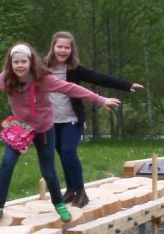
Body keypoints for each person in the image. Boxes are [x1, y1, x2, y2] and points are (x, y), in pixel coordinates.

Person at [0, 43, 121, 228]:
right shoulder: (6, 79)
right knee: (6, 165)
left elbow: (71, 88)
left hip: (44, 130)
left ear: (30, 62)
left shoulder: (42, 79)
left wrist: (100, 99)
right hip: (20, 129)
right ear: (10, 64)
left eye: (23, 61)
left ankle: (59, 203)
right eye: (16, 62)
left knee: (48, 171)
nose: (20, 65)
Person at [42, 31, 144, 207]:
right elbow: (20, 75)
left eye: (67, 47)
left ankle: (81, 191)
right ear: (53, 47)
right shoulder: (42, 68)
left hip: (72, 119)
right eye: (59, 46)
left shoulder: (74, 69)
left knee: (68, 152)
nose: (63, 50)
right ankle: (71, 189)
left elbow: (99, 78)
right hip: (50, 121)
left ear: (72, 50)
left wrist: (126, 85)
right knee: (62, 155)